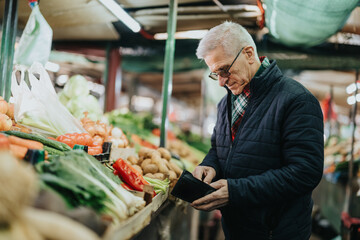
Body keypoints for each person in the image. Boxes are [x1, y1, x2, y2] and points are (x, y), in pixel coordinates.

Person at [191, 21, 324, 240]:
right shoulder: (226, 103)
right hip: (238, 229)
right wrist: (209, 165)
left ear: (249, 53)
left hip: (276, 231)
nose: (221, 82)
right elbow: (219, 148)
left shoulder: (297, 100)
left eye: (224, 69)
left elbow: (305, 172)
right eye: (216, 74)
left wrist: (236, 191)